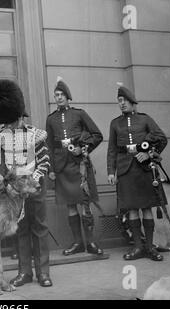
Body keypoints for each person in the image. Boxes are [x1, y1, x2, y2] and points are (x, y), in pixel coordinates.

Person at [0, 79, 52, 287]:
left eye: (16, 119)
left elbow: (44, 162)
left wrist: (31, 183)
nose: (13, 123)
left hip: (35, 188)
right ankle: (25, 272)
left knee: (39, 227)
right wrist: (5, 184)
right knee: (21, 229)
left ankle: (43, 272)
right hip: (12, 193)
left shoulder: (36, 135)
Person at [107, 83, 167, 261]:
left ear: (133, 102)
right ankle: (138, 248)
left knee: (147, 208)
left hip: (144, 170)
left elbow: (161, 138)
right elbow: (112, 149)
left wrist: (147, 154)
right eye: (119, 101)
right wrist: (111, 171)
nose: (122, 104)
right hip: (125, 169)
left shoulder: (145, 119)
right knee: (132, 209)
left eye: (125, 100)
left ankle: (150, 247)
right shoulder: (115, 123)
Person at [46, 77, 104, 256]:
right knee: (70, 205)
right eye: (56, 95)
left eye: (62, 94)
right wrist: (50, 169)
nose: (59, 97)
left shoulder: (79, 114)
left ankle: (91, 243)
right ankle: (78, 243)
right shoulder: (51, 119)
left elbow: (97, 135)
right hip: (61, 166)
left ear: (68, 97)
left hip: (79, 165)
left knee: (85, 204)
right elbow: (48, 145)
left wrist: (83, 148)